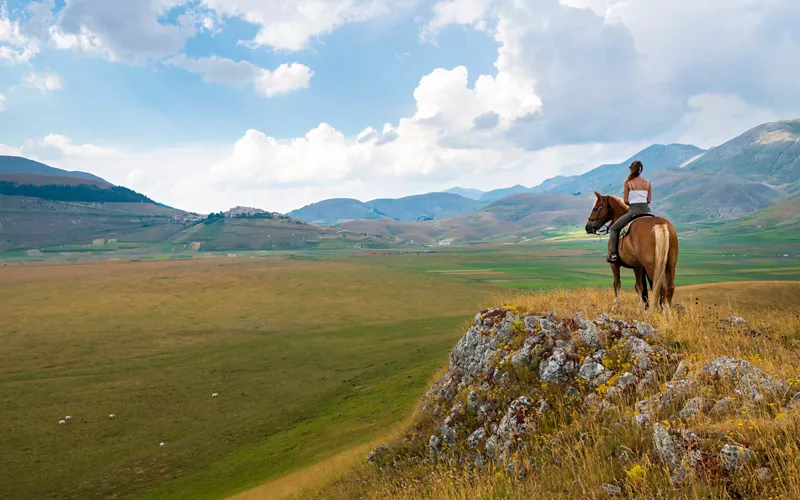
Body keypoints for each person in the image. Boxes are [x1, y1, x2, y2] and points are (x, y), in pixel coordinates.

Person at [607, 160, 651, 263]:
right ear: (641, 170)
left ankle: (613, 255)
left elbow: (626, 201)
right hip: (647, 211)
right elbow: (648, 200)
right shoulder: (647, 183)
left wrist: (632, 205)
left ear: (631, 170)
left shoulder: (628, 183)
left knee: (613, 229)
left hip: (633, 211)